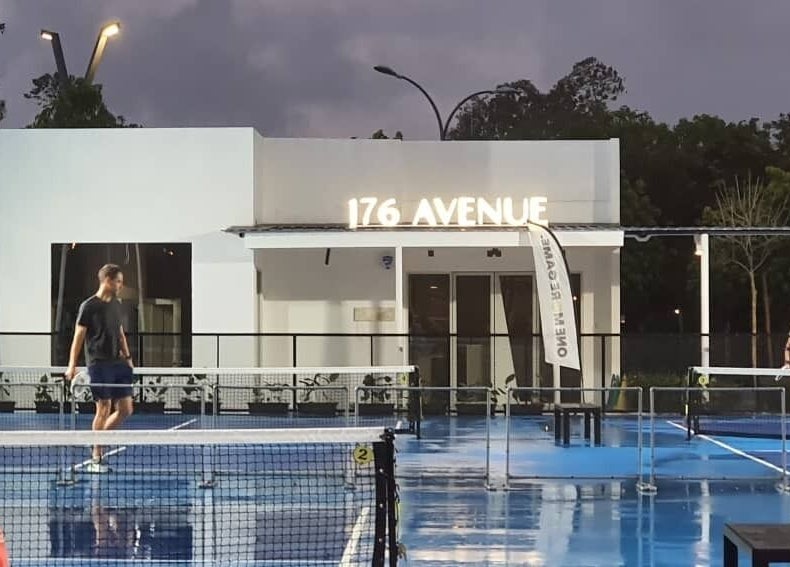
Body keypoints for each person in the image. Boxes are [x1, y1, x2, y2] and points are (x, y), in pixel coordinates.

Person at [65, 264, 134, 473]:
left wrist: (128, 358)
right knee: (103, 407)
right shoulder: (88, 306)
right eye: (118, 281)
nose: (121, 285)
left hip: (118, 363)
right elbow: (78, 337)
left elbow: (120, 333)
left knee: (126, 409)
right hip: (98, 362)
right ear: (107, 280)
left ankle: (96, 438)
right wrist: (72, 366)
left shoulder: (116, 304)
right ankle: (97, 456)